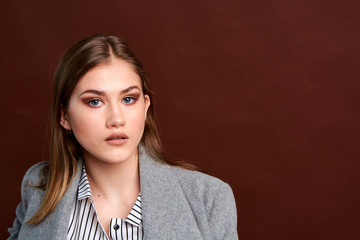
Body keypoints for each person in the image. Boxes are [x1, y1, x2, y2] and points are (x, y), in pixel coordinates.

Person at [8, 34, 238, 240]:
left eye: (128, 99)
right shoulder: (38, 188)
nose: (116, 119)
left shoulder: (209, 198)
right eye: (95, 101)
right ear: (65, 116)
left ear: (145, 107)